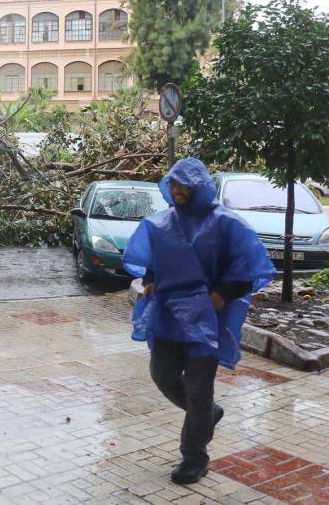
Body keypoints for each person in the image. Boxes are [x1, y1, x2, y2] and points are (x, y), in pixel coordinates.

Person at [123, 158, 275, 485]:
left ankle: (194, 456)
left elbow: (247, 270)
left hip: (207, 318)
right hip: (168, 312)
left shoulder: (226, 224)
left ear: (199, 187)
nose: (176, 191)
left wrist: (219, 296)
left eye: (183, 185)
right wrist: (150, 281)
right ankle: (207, 415)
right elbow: (156, 260)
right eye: (172, 184)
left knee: (197, 388)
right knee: (162, 374)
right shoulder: (163, 223)